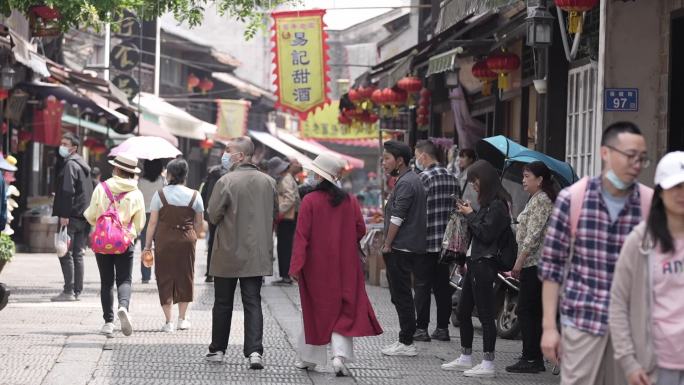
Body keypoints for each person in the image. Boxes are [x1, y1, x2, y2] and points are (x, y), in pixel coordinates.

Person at [540, 121, 652, 385]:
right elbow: (552, 266)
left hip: (633, 331)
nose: (636, 163)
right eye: (630, 156)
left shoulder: (649, 203)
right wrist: (548, 327)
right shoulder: (574, 198)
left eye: (642, 158)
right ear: (605, 153)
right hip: (583, 322)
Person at [289, 153, 383, 376]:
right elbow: (360, 229)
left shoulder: (310, 201)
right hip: (346, 264)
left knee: (316, 311)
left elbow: (302, 236)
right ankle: (339, 357)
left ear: (320, 176)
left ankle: (309, 359)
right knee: (344, 310)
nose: (311, 175)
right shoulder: (349, 200)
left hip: (316, 266)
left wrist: (296, 266)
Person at [609, 152, 684, 385]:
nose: (682, 193)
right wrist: (629, 362)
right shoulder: (641, 241)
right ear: (660, 191)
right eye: (676, 186)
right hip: (654, 366)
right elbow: (618, 303)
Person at [205, 137, 278, 370]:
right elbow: (274, 212)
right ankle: (255, 352)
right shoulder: (269, 182)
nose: (224, 155)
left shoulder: (225, 181)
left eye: (228, 151)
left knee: (223, 302)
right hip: (255, 252)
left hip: (227, 250)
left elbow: (213, 215)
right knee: (252, 301)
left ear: (241, 156)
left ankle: (217, 349)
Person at [440, 160, 511, 378]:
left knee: (486, 315)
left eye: (475, 180)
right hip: (474, 263)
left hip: (485, 265)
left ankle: (488, 363)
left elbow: (486, 234)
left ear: (486, 179)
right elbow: (477, 230)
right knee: (462, 311)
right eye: (471, 181)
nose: (474, 185)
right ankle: (466, 356)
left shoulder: (499, 205)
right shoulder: (487, 204)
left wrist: (470, 214)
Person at [84, 154, 146, 337]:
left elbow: (91, 215)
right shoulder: (136, 193)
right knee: (124, 279)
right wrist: (129, 234)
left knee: (106, 281)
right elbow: (139, 222)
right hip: (124, 241)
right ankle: (123, 307)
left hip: (103, 241)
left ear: (116, 169)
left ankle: (108, 322)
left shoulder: (102, 188)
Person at [505, 161, 556, 374]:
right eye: (523, 176)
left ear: (540, 179)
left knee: (527, 309)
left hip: (535, 263)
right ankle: (533, 356)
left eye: (527, 176)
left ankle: (532, 357)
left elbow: (534, 235)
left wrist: (519, 261)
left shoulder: (543, 200)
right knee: (531, 310)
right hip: (532, 262)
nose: (523, 180)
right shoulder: (534, 198)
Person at [144, 158, 203, 333]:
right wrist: (193, 236)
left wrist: (148, 246)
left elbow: (152, 223)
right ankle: (182, 319)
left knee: (164, 276)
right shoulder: (194, 195)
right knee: (186, 276)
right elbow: (199, 223)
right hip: (187, 238)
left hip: (164, 239)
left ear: (169, 174)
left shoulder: (160, 194)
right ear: (185, 175)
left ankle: (168, 321)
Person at [380, 140, 426, 357]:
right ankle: (405, 338)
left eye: (387, 158)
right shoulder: (407, 180)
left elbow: (398, 218)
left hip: (401, 247)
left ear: (400, 160)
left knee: (402, 295)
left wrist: (387, 244)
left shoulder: (407, 183)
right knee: (401, 295)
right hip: (405, 246)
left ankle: (406, 342)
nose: (383, 162)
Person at [412, 140, 459, 342]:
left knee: (422, 285)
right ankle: (442, 328)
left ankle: (421, 329)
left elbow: (416, 212)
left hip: (426, 242)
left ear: (424, 156)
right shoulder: (453, 178)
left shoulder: (423, 178)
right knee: (442, 287)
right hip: (446, 244)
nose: (416, 160)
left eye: (417, 156)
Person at [51, 133, 93, 302]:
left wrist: (64, 214)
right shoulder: (84, 166)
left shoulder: (70, 165)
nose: (61, 146)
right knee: (77, 254)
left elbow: (68, 191)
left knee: (64, 252)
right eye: (61, 142)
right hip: (83, 216)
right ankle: (76, 290)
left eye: (65, 143)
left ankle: (69, 290)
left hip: (70, 216)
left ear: (73, 147)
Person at [269, 156, 300, 286]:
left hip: (287, 218)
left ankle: (286, 276)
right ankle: (285, 275)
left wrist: (279, 212)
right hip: (289, 217)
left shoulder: (286, 179)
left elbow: (290, 198)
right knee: (285, 247)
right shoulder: (287, 177)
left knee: (284, 247)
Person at [200, 160, 229, 283]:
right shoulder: (228, 177)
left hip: (212, 213)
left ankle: (209, 273)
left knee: (212, 242)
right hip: (226, 215)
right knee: (227, 243)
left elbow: (203, 195)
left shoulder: (211, 176)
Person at [137, 159, 165, 284]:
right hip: (159, 215)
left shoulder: (140, 182)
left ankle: (145, 276)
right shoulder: (162, 181)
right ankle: (159, 274)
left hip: (144, 215)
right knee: (160, 247)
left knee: (145, 246)